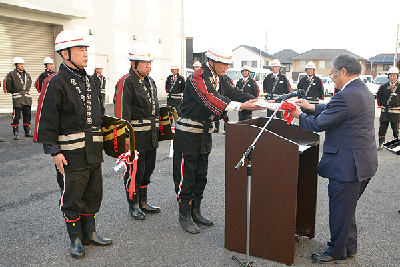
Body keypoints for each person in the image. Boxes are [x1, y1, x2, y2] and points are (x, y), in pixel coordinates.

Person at [287, 54, 378, 264]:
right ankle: (349, 246)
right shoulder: (362, 90)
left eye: (333, 73)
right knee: (348, 209)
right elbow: (337, 110)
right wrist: (310, 106)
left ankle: (337, 252)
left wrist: (298, 114)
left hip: (347, 165)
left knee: (339, 210)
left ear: (343, 71)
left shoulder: (345, 95)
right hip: (363, 162)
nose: (332, 77)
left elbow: (318, 125)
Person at [33, 30, 112, 259]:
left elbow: (99, 112)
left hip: (93, 150)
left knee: (93, 192)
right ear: (65, 53)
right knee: (72, 196)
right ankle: (76, 240)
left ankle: (90, 234)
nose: (86, 54)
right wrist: (53, 151)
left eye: (86, 50)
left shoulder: (90, 79)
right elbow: (47, 118)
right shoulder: (54, 81)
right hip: (70, 153)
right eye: (81, 50)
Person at [172, 45, 264, 234]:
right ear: (212, 61)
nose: (226, 67)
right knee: (186, 175)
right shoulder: (197, 76)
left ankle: (196, 211)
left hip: (204, 133)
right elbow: (210, 99)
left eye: (228, 63)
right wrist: (241, 106)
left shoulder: (221, 78)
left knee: (201, 175)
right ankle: (184, 216)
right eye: (223, 63)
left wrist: (256, 102)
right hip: (188, 133)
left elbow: (234, 93)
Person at [114, 43, 161, 221]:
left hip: (150, 135)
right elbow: (121, 112)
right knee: (134, 171)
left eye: (150, 62)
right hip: (134, 136)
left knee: (148, 169)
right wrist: (124, 137)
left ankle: (144, 202)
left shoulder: (150, 81)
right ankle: (133, 205)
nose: (149, 66)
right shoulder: (126, 81)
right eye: (145, 62)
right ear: (134, 64)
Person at [5, 57, 33, 140]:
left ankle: (27, 132)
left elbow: (29, 84)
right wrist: (14, 92)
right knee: (16, 116)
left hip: (27, 98)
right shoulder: (11, 74)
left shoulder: (27, 75)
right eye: (20, 64)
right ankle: (16, 133)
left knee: (27, 115)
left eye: (23, 64)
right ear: (16, 65)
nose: (22, 66)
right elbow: (8, 86)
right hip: (17, 98)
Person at [376, 67, 400, 150]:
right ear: (388, 76)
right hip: (385, 112)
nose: (392, 77)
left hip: (396, 113)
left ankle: (397, 145)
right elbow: (379, 96)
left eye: (394, 75)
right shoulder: (383, 87)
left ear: (397, 76)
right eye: (390, 75)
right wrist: (383, 104)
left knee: (396, 130)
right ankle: (381, 144)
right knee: (382, 129)